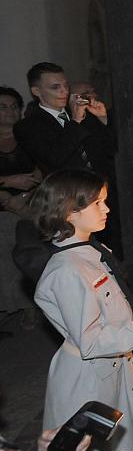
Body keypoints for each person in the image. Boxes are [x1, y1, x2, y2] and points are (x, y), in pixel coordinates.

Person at [30, 169, 133, 451]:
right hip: (85, 381)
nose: (107, 209)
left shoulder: (91, 251)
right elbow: (92, 340)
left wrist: (127, 362)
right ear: (69, 213)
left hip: (109, 368)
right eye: (98, 203)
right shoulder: (68, 271)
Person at [14, 63, 113, 177]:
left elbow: (110, 149)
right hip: (68, 190)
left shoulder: (82, 112)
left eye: (66, 85)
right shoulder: (27, 126)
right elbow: (55, 158)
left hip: (103, 184)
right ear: (36, 91)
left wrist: (103, 119)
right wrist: (75, 121)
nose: (65, 91)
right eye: (55, 87)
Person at [0, 87, 41, 330]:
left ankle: (28, 306)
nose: (9, 111)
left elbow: (43, 168)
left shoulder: (28, 137)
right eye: (3, 107)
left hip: (30, 203)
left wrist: (24, 195)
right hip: (3, 206)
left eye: (14, 106)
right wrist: (7, 185)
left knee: (25, 248)